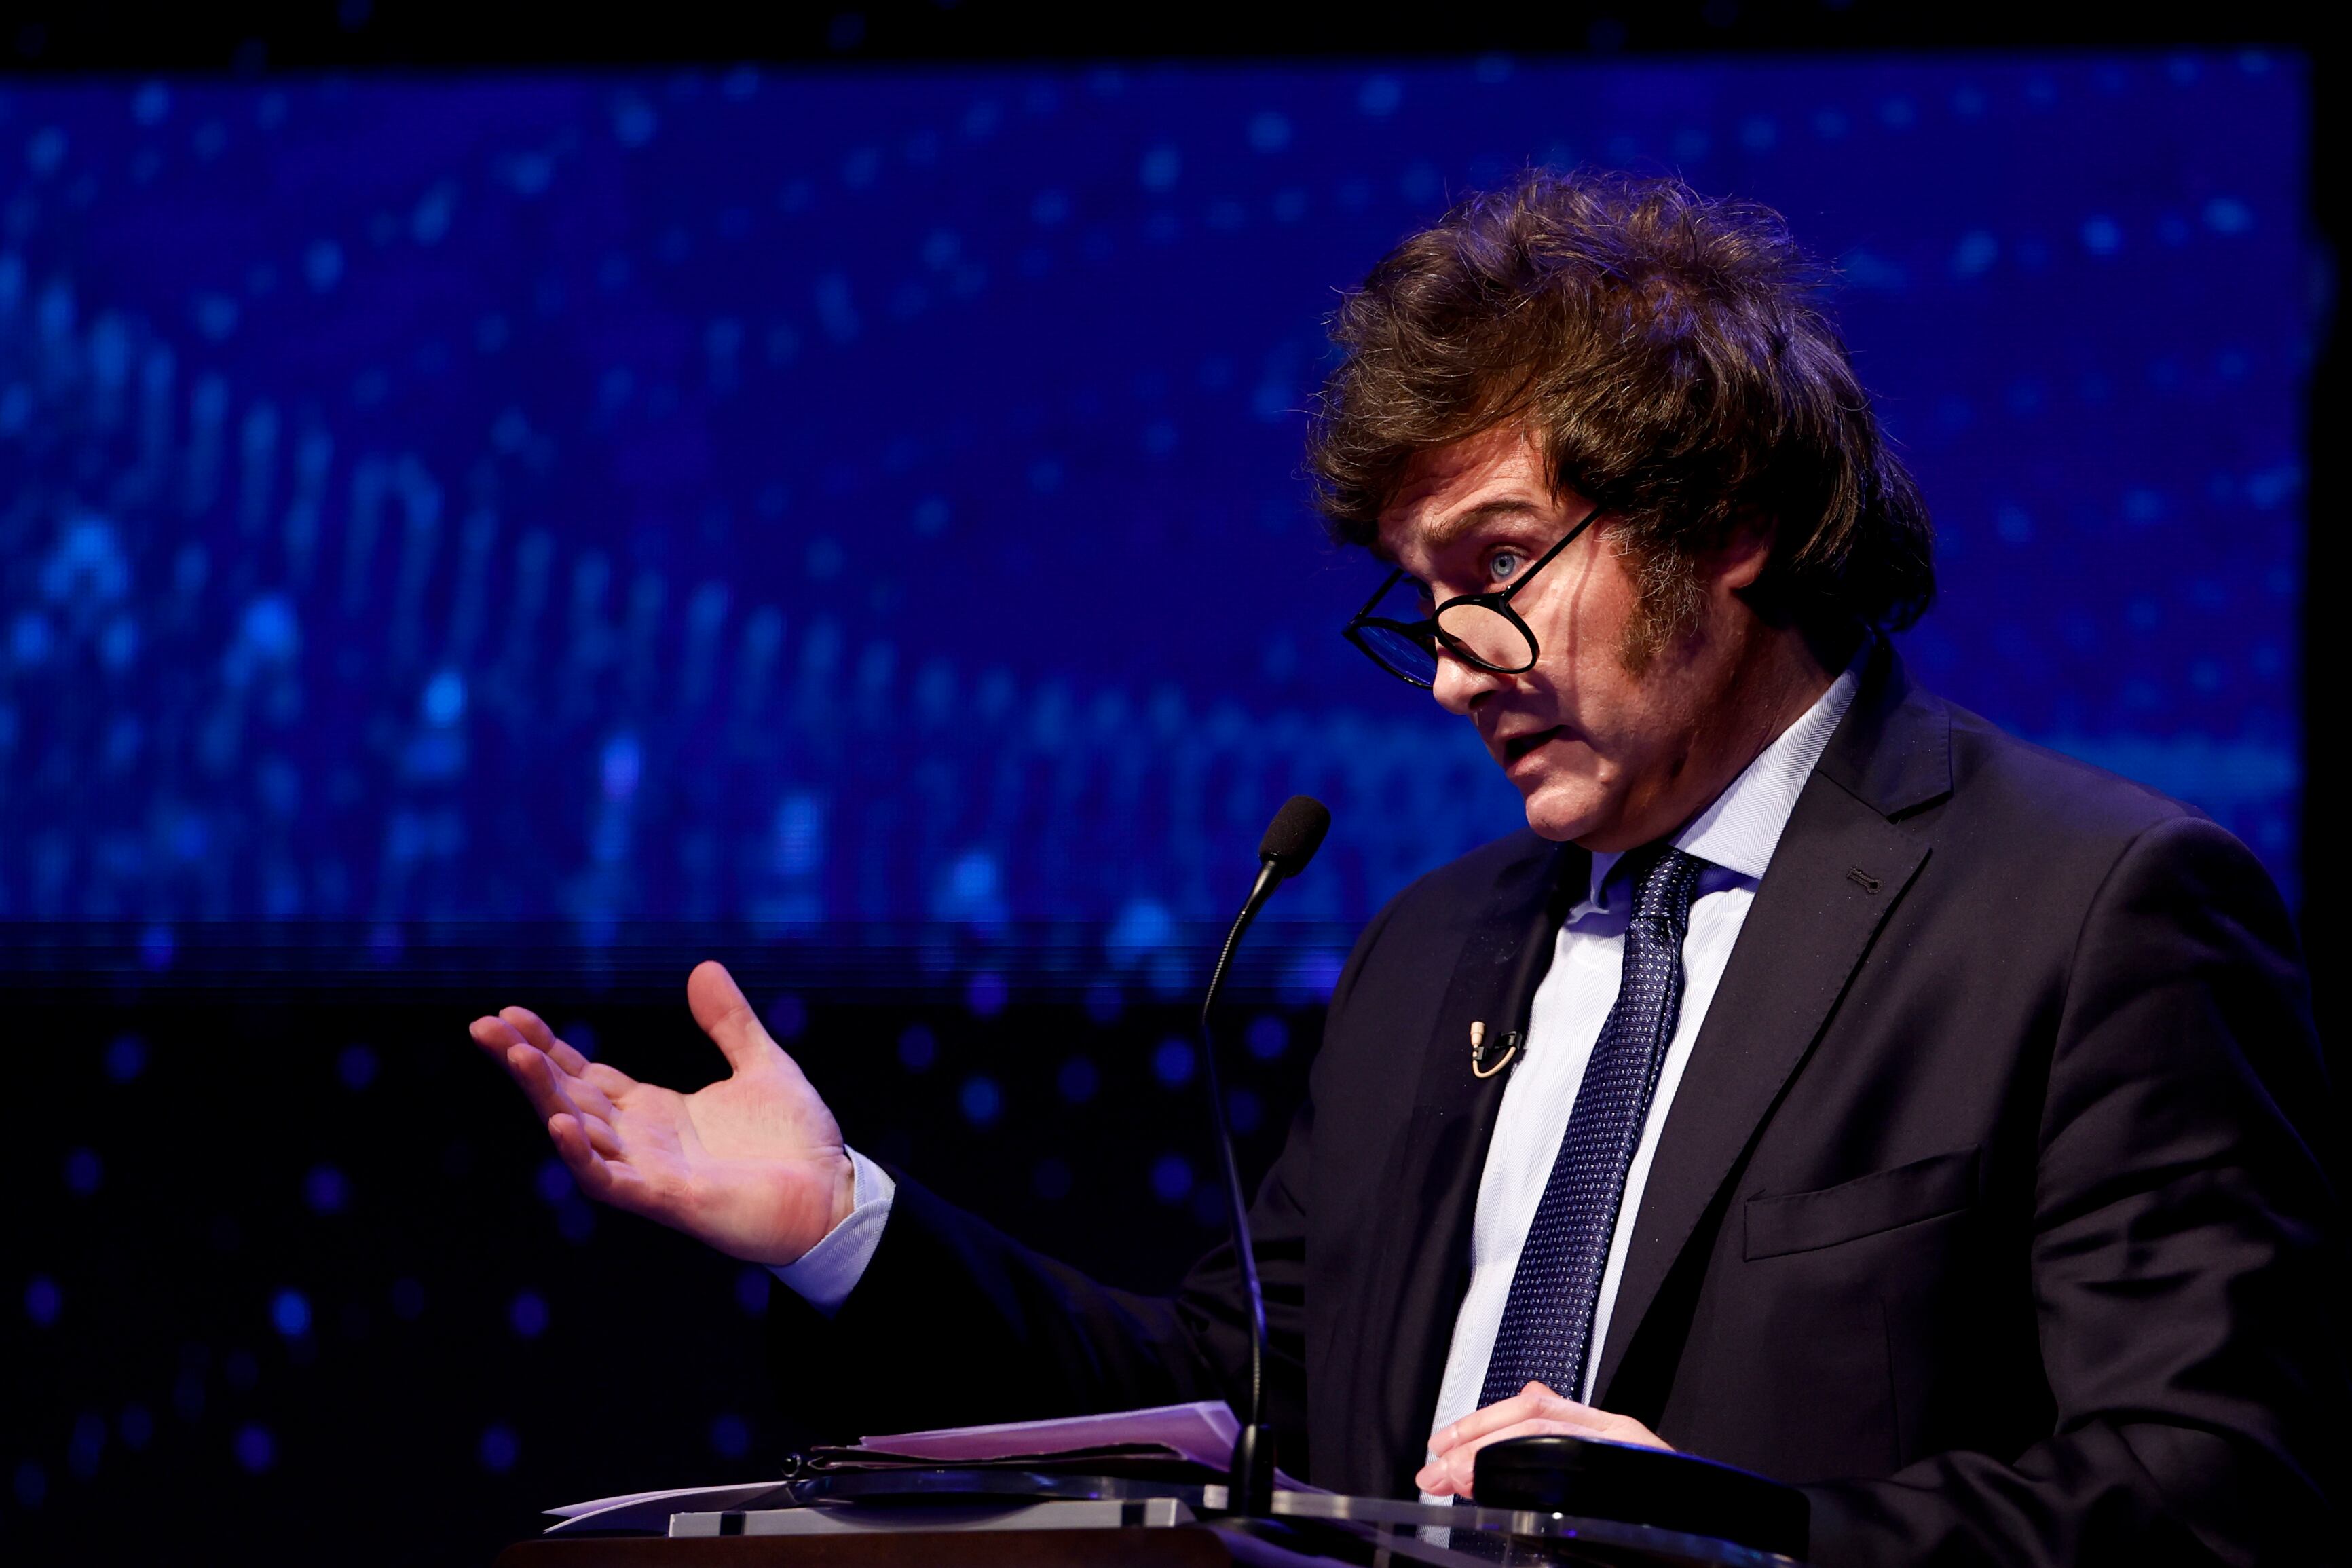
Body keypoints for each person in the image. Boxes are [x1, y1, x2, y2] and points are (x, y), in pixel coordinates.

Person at [472, 171, 2338, 1564]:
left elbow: (2212, 1486)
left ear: (1738, 519)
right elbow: (1232, 1401)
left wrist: (1725, 1539)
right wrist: (842, 1226)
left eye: (1499, 569)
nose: (1452, 672)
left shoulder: (2093, 910)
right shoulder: (1435, 953)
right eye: (1421, 607)